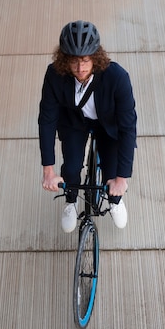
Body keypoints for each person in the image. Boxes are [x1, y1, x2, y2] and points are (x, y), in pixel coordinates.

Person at [38, 20, 137, 233]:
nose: (80, 68)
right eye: (74, 62)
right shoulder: (55, 75)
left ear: (96, 56)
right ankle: (71, 201)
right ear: (65, 59)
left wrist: (121, 178)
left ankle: (116, 201)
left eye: (85, 61)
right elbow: (46, 120)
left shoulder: (118, 78)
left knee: (112, 170)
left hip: (107, 125)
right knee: (71, 168)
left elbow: (128, 128)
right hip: (74, 121)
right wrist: (48, 170)